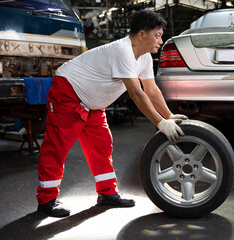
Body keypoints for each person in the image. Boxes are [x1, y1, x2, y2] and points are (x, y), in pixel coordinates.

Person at [36, 10, 187, 218]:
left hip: (93, 103)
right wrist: (161, 123)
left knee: (102, 145)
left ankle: (107, 194)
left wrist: (169, 116)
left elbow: (151, 90)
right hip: (68, 92)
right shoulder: (123, 50)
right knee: (58, 146)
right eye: (158, 35)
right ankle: (46, 200)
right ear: (141, 34)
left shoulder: (143, 57)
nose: (160, 41)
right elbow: (136, 93)